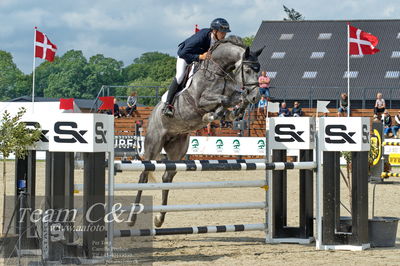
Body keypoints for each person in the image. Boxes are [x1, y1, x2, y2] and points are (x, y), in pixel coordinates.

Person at [163, 18, 231, 117]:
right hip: (186, 57)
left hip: (202, 59)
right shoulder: (200, 38)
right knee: (180, 76)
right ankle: (167, 105)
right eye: (222, 32)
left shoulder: (219, 40)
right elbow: (183, 53)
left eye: (225, 32)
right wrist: (199, 57)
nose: (224, 35)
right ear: (215, 31)